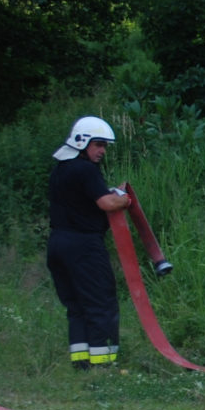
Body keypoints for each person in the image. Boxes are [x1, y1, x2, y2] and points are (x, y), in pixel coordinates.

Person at [47, 115, 132, 369]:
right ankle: (103, 365)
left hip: (57, 244)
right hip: (83, 246)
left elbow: (85, 199)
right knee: (100, 303)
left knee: (76, 307)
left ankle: (81, 364)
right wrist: (125, 199)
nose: (102, 151)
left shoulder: (60, 170)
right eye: (98, 145)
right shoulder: (86, 170)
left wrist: (112, 194)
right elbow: (107, 203)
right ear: (81, 142)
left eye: (104, 146)